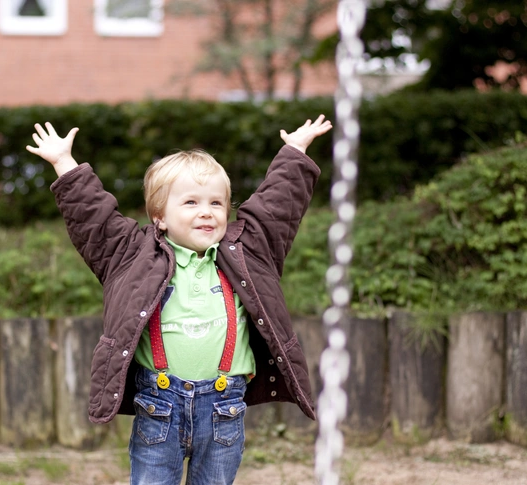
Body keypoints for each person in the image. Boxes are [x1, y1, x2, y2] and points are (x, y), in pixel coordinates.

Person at [26, 114, 332, 485]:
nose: (207, 211)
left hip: (224, 408)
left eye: (217, 203)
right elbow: (95, 219)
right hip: (159, 407)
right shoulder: (130, 255)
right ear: (160, 217)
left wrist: (295, 151)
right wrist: (63, 163)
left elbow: (277, 207)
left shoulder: (249, 252)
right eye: (191, 202)